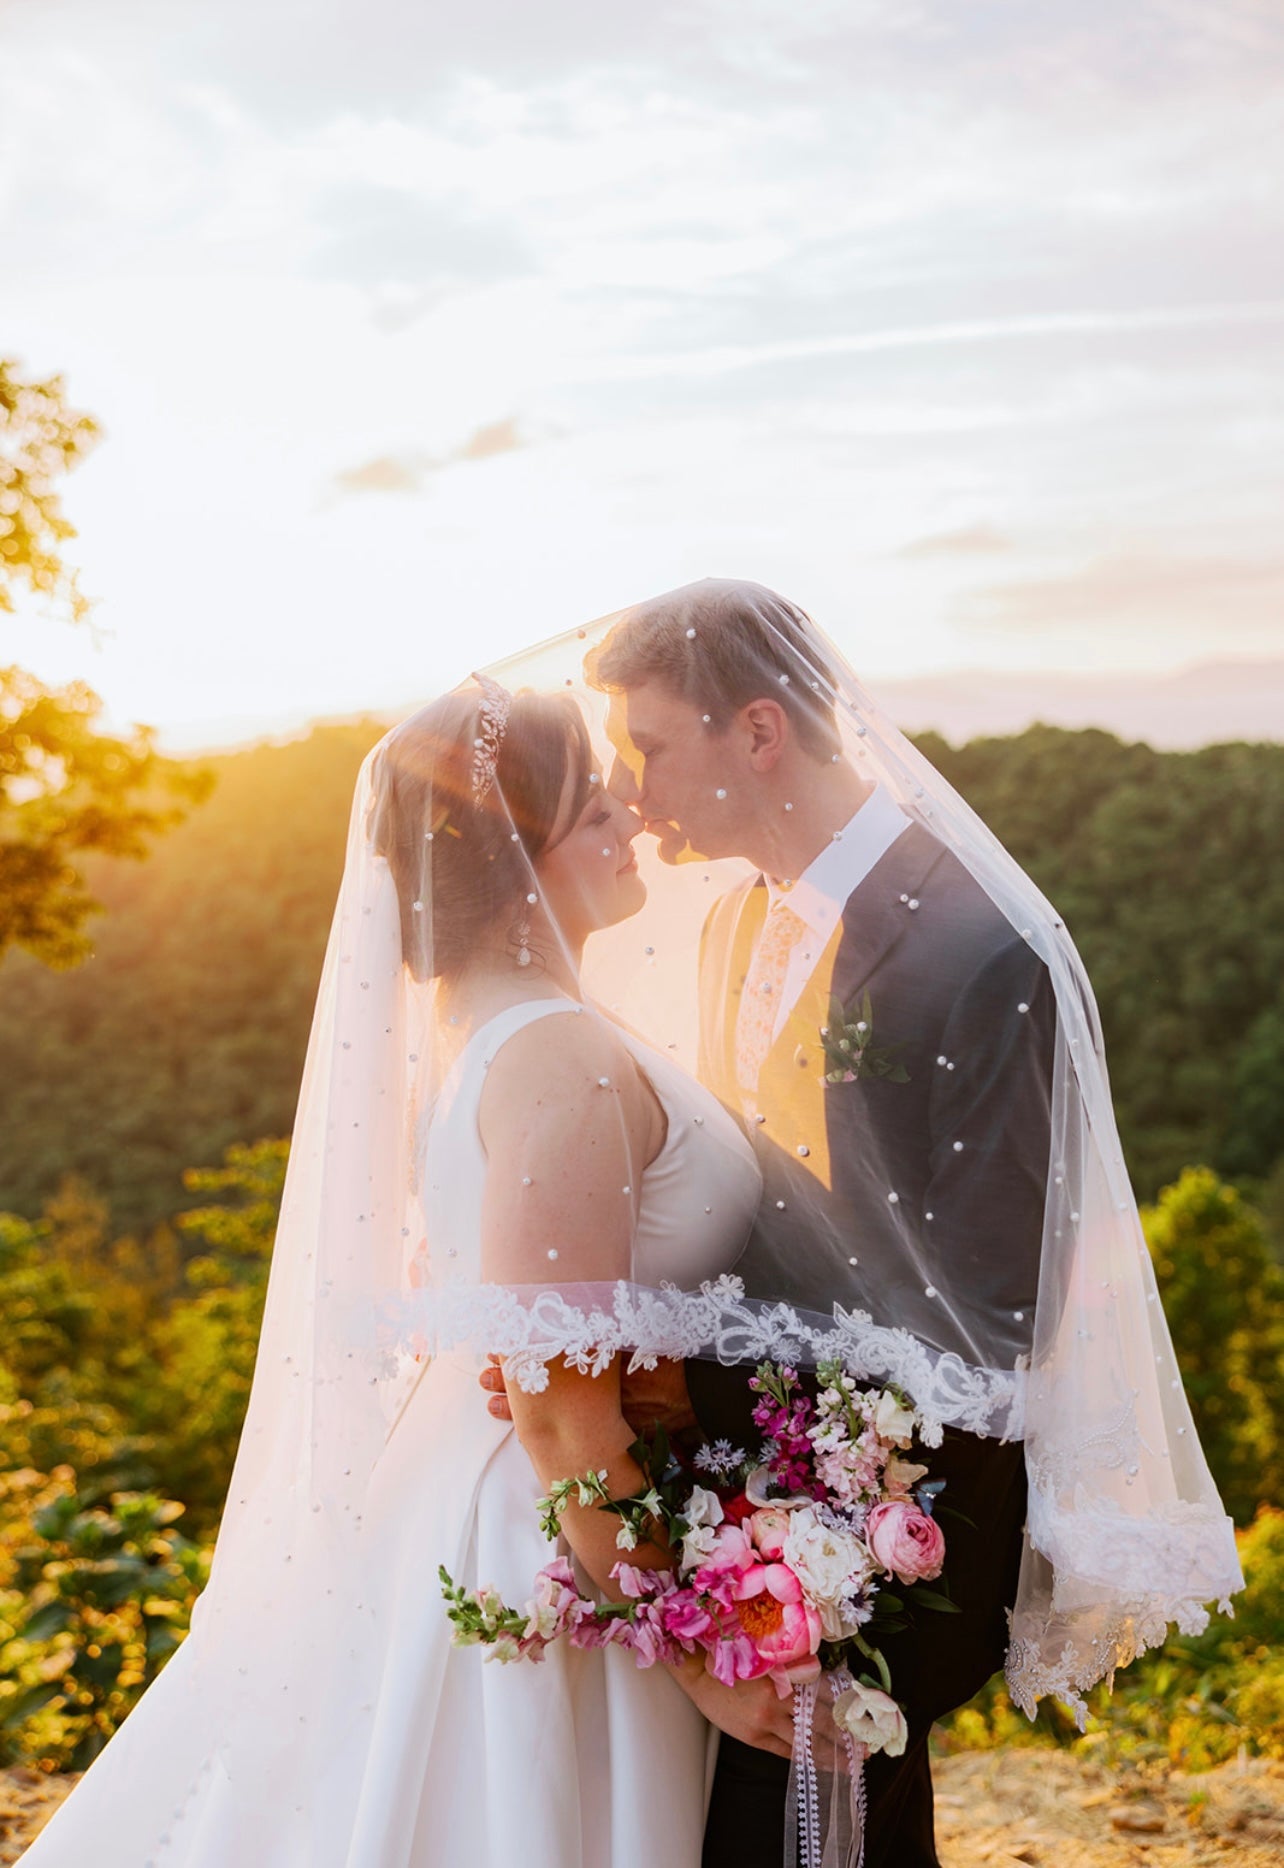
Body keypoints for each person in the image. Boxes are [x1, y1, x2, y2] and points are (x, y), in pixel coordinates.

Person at [483, 577, 1243, 1868]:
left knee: (806, 1823)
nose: (634, 786)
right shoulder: (732, 924)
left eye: (653, 746)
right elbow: (748, 1208)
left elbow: (1000, 1306)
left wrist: (715, 1409)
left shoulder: (982, 943)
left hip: (912, 1505)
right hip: (760, 1479)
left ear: (760, 732)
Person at [20, 681, 763, 1866]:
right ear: (520, 856)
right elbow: (559, 1412)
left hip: (496, 1499)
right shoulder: (557, 1056)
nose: (629, 814)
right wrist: (701, 1651)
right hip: (544, 1538)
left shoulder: (493, 1031)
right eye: (591, 809)